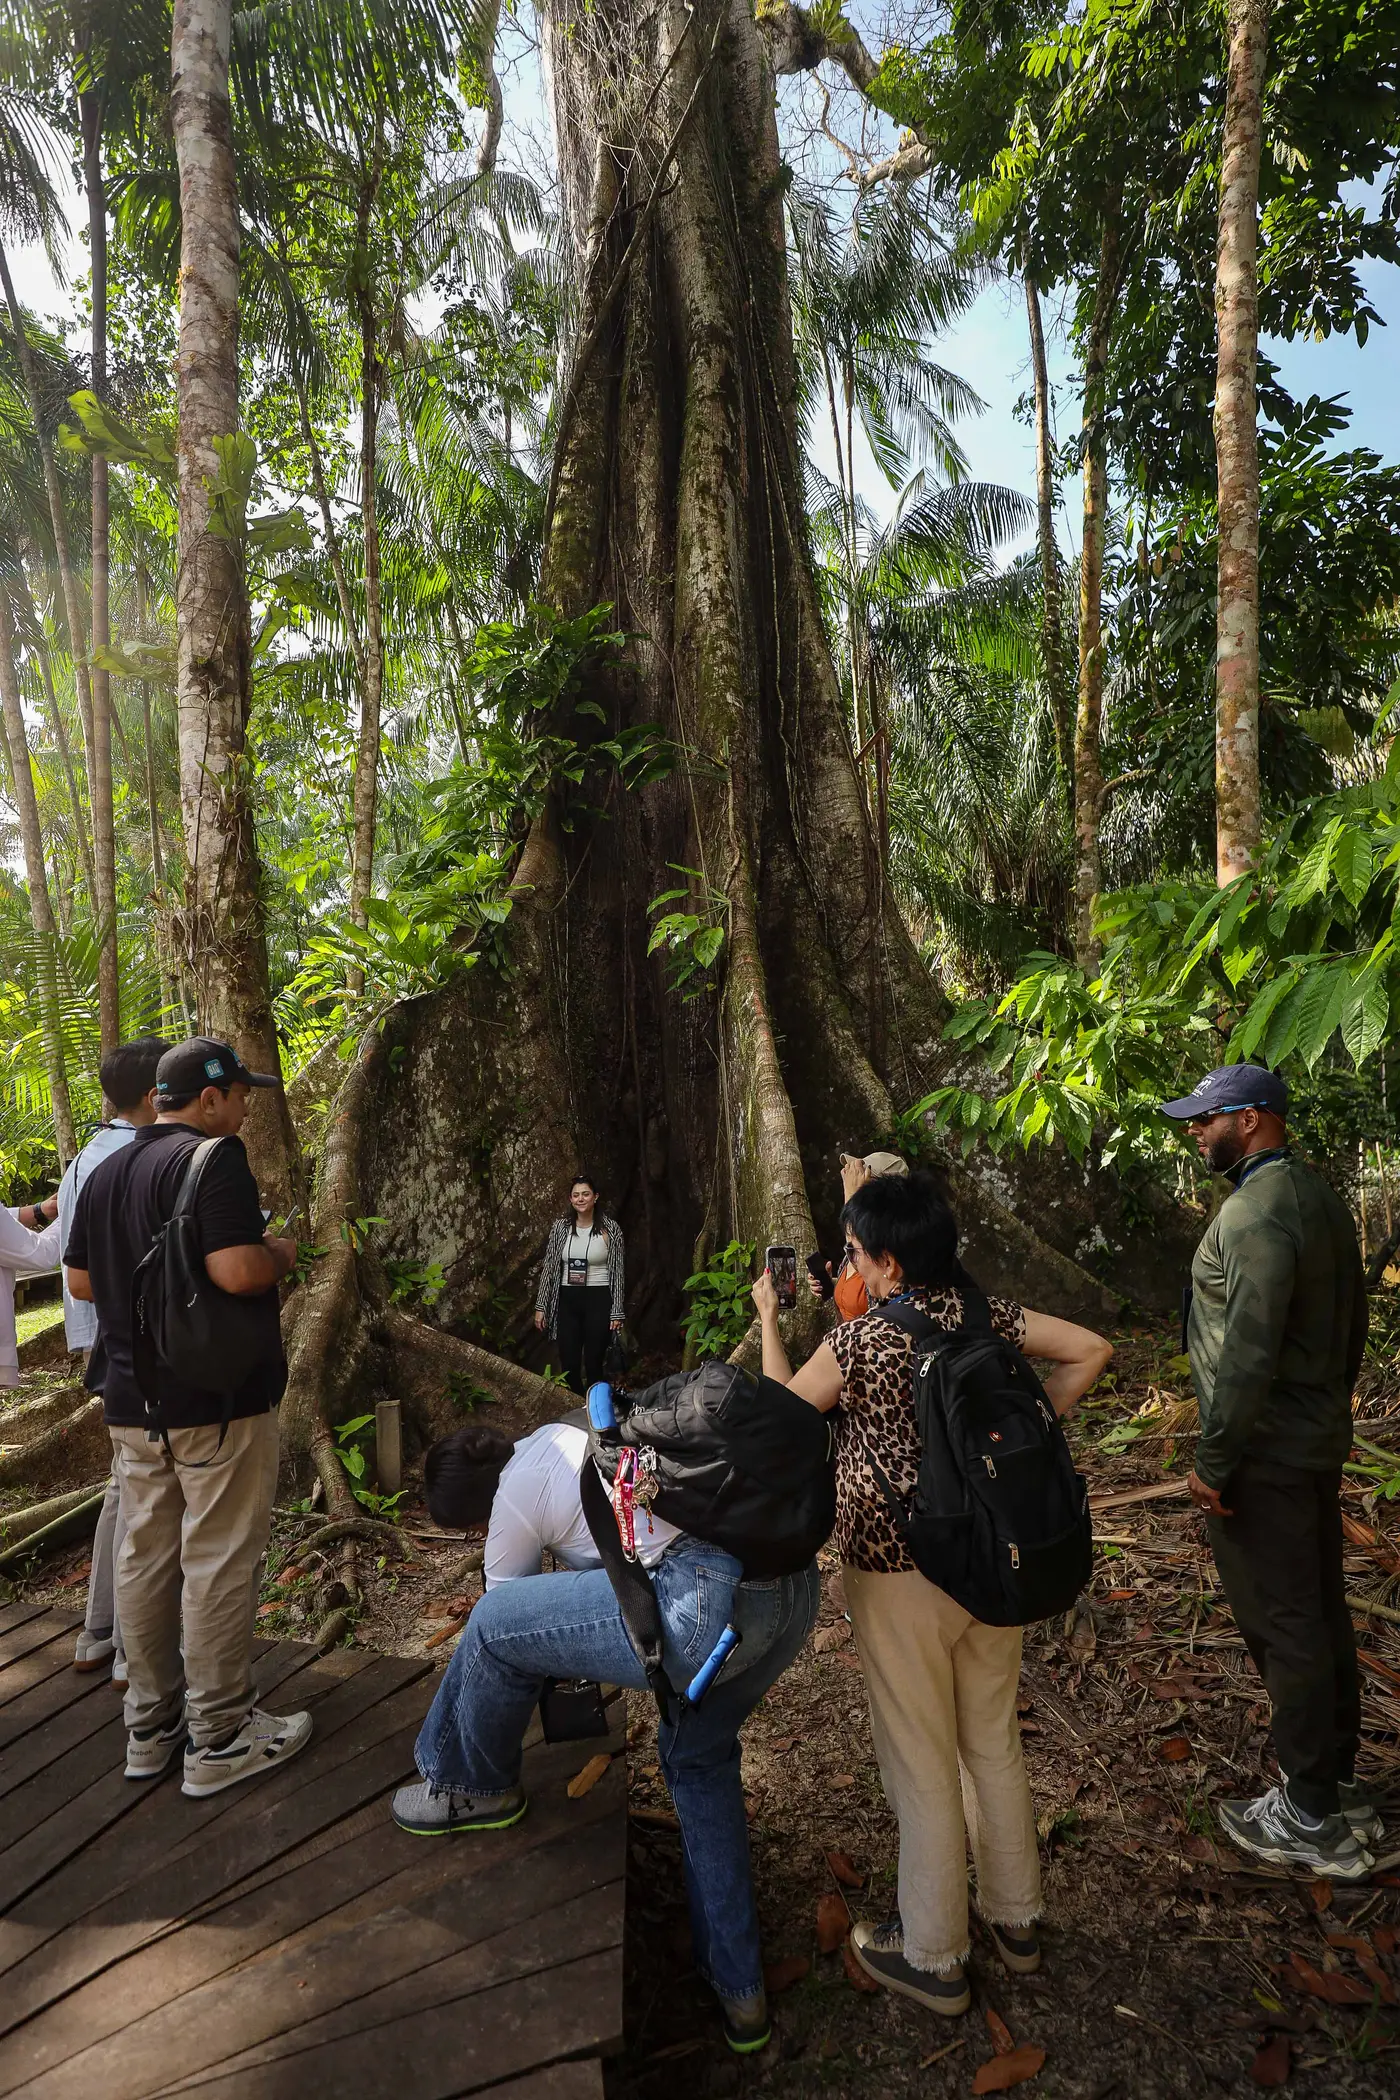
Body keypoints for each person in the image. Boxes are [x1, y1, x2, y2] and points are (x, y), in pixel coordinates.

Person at [754, 1169, 1112, 2016]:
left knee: (921, 1763)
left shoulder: (861, 1343)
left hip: (898, 1575)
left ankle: (935, 1956)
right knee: (991, 1741)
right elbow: (1093, 1349)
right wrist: (1025, 1446)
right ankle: (1017, 1922)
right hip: (992, 1562)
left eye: (854, 1253)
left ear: (889, 1263)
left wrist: (769, 1319)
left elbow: (779, 1422)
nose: (848, 1266)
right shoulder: (990, 1316)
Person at [396, 1416, 820, 2055]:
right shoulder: (555, 1437)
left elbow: (507, 1622)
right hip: (784, 1591)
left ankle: (468, 1784)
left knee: (489, 1622)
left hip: (701, 1603)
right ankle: (740, 1992)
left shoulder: (510, 1497)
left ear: (469, 1512)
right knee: (699, 1764)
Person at [63, 1036, 311, 1798]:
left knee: (145, 1557)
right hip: (215, 1402)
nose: (244, 1110)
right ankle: (221, 1734)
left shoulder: (109, 1168)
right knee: (217, 1559)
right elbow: (235, 1269)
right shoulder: (214, 1160)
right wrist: (281, 1253)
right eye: (238, 1096)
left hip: (131, 1404)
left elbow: (79, 1280)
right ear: (209, 1099)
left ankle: (150, 1728)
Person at [1160, 1064, 1376, 1879]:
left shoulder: (1254, 1213)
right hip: (1308, 1439)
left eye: (1206, 1118)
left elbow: (1248, 1350)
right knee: (1316, 1610)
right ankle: (1336, 1784)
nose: (1195, 1131)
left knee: (1283, 1622)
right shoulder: (1316, 1197)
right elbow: (1351, 1323)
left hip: (1265, 1452)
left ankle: (1311, 1815)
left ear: (1250, 1119)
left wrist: (1216, 1460)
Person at [45, 1037, 170, 1678]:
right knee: (143, 1499)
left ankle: (101, 1630)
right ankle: (129, 1649)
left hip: (102, 1337)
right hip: (131, 1340)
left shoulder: (87, 1157)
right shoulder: (134, 1157)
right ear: (156, 1094)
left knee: (124, 1487)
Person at [533, 1173, 625, 1395]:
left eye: (585, 1194)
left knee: (594, 1362)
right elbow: (550, 1268)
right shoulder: (561, 1227)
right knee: (569, 1363)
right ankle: (575, 1403)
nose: (580, 1199)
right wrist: (541, 1306)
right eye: (576, 1195)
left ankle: (596, 1407)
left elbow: (618, 1272)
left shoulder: (610, 1229)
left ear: (595, 1197)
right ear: (570, 1199)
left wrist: (617, 1311)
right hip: (568, 1300)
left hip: (599, 1299)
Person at [808, 1150, 909, 1319]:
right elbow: (859, 1285)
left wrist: (853, 1197)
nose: (851, 1178)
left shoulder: (891, 1247)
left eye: (861, 1175)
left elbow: (875, 1295)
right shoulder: (859, 1240)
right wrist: (831, 1284)